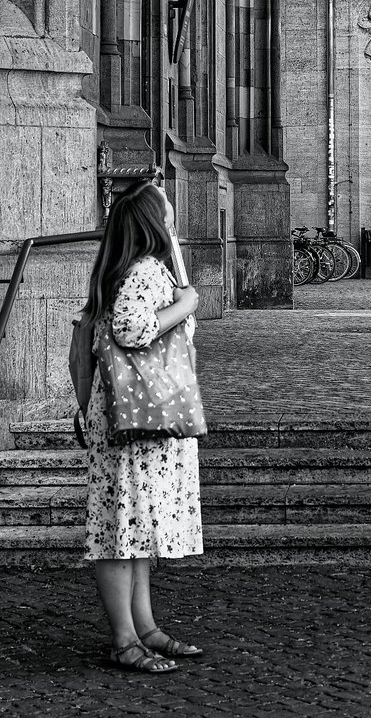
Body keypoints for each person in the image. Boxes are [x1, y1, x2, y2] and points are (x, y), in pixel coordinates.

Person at [82, 181, 204, 673]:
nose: (174, 219)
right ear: (155, 222)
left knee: (131, 527)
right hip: (137, 418)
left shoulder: (120, 269)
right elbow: (131, 329)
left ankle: (144, 626)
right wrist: (187, 303)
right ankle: (125, 638)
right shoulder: (146, 270)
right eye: (168, 212)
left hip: (125, 413)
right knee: (119, 527)